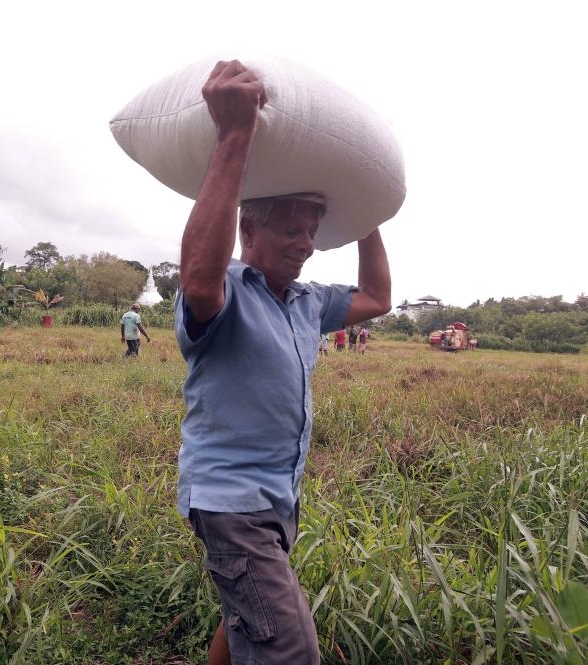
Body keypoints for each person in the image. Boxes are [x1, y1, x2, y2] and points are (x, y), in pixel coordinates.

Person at [175, 60, 393, 665]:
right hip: (230, 503)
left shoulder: (306, 303)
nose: (303, 243)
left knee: (243, 614)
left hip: (277, 499)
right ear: (249, 228)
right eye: (291, 229)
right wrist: (235, 135)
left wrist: (364, 214)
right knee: (288, 649)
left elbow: (377, 298)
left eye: (312, 234)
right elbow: (199, 273)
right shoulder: (222, 295)